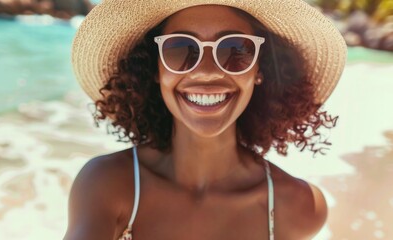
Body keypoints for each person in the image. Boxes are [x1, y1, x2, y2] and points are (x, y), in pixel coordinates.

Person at [65, 1, 346, 239]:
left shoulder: (300, 206)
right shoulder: (109, 185)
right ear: (155, 69)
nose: (207, 72)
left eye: (235, 50)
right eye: (180, 49)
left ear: (260, 69)